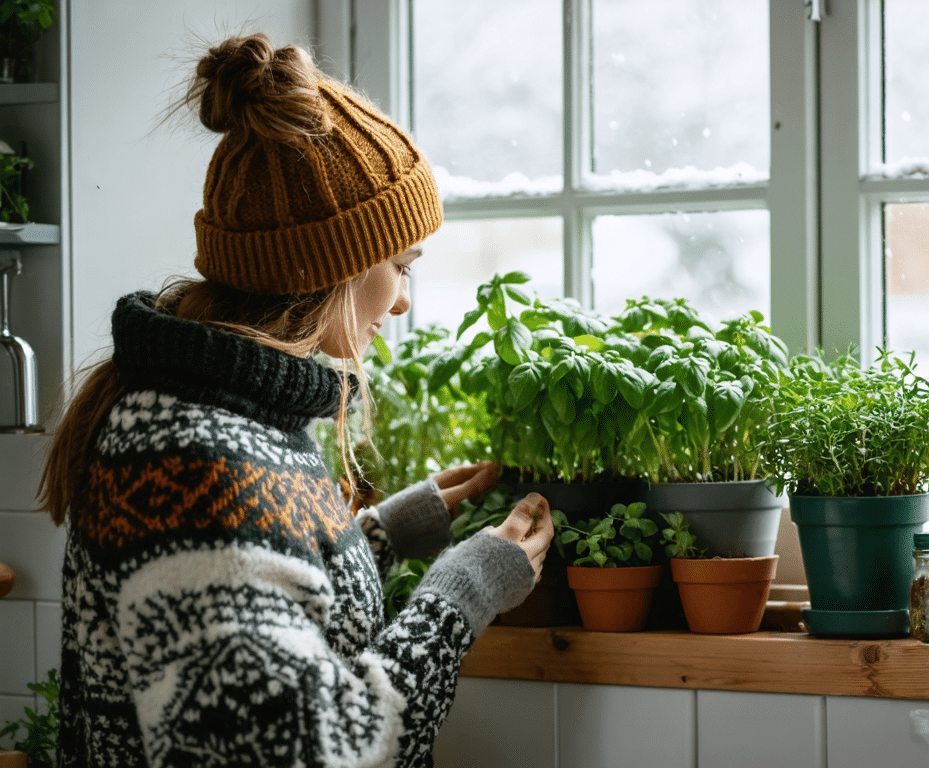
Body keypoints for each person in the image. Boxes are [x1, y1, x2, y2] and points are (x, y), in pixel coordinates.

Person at [38, 33, 552, 767]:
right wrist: (461, 591)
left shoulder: (226, 413)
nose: (402, 301)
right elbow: (304, 748)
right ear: (331, 264)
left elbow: (264, 594)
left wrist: (385, 532)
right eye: (401, 266)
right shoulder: (190, 457)